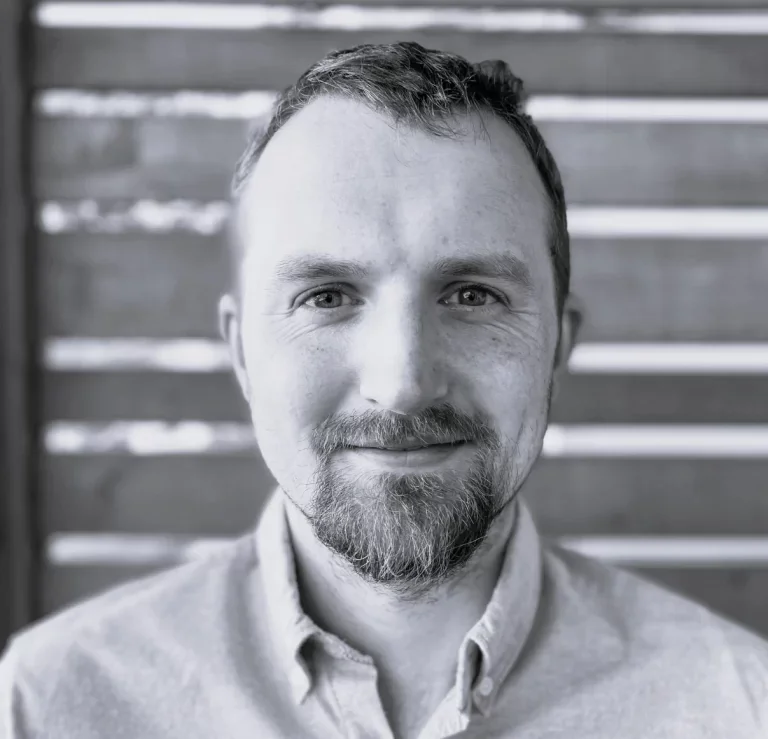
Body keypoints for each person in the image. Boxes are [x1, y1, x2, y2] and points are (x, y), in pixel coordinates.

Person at [2, 40, 767, 739]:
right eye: (327, 296)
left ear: (557, 347)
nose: (401, 384)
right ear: (241, 352)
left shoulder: (739, 707)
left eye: (472, 295)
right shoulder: (51, 706)